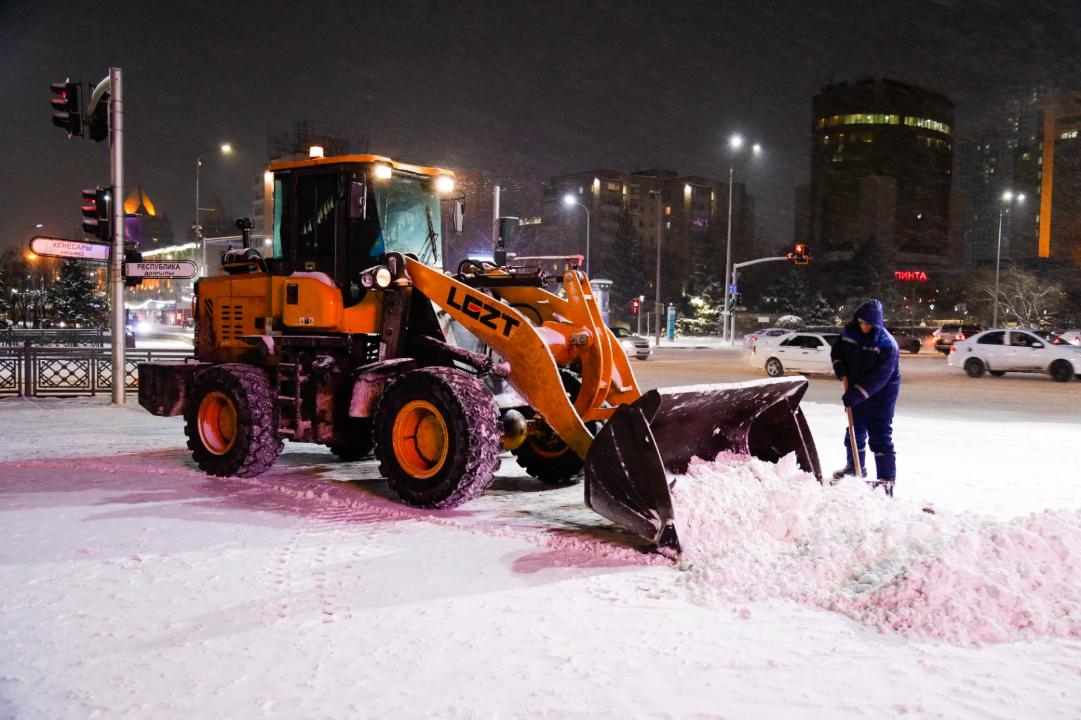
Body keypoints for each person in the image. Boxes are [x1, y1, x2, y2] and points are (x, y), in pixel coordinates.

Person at [830, 298, 900, 496]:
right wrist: (840, 368)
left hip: (882, 395)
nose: (864, 327)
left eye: (868, 324)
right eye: (861, 322)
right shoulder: (849, 333)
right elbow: (837, 351)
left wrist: (856, 395)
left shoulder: (887, 346)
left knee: (880, 435)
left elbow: (879, 378)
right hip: (855, 390)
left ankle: (886, 480)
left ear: (877, 324)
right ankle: (854, 467)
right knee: (854, 429)